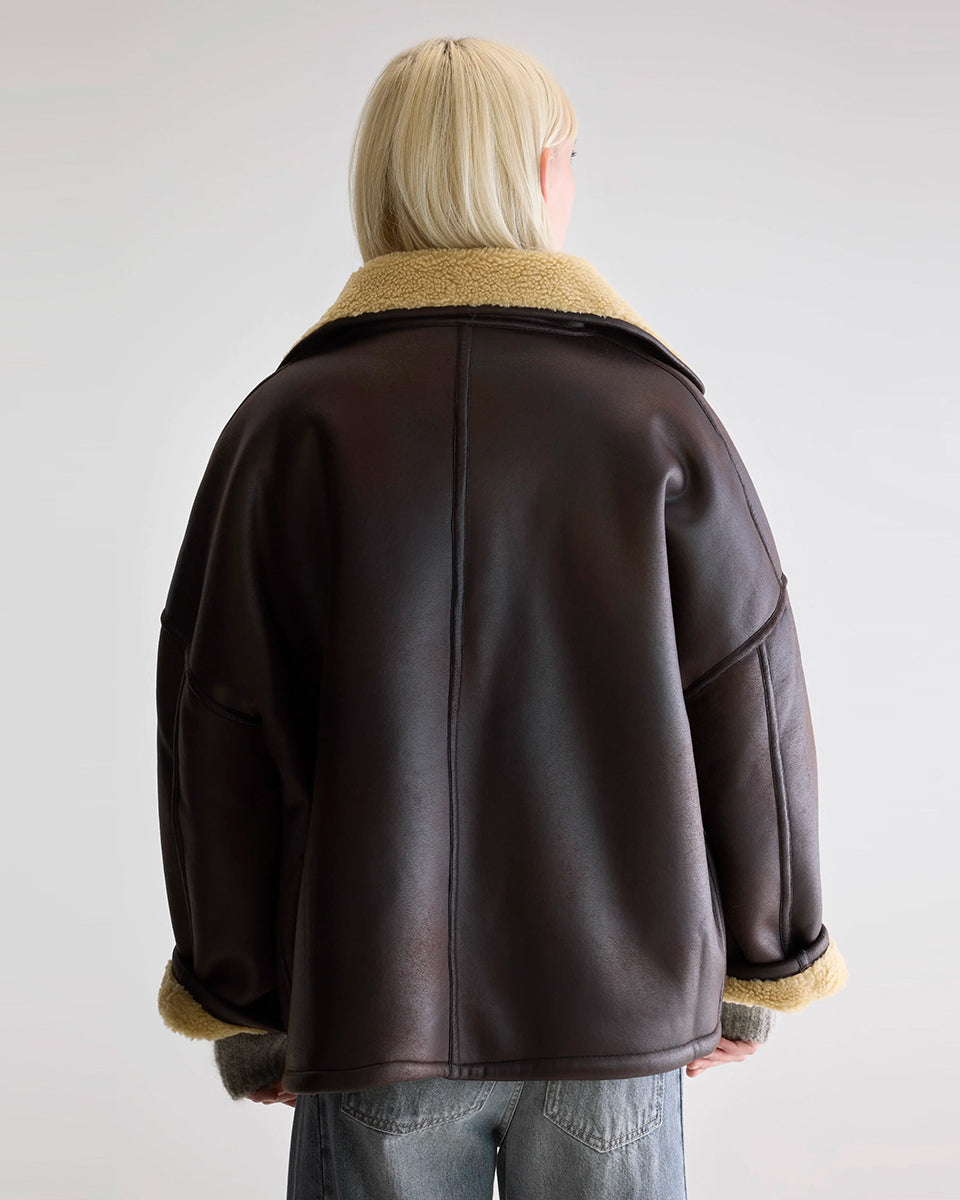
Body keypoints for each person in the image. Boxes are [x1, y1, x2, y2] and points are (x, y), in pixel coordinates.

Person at [154, 35, 849, 1199]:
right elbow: (750, 697)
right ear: (538, 172)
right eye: (569, 155)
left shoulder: (286, 427)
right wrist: (759, 966)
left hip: (369, 1011)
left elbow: (216, 724)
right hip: (617, 1018)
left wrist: (245, 997)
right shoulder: (654, 416)